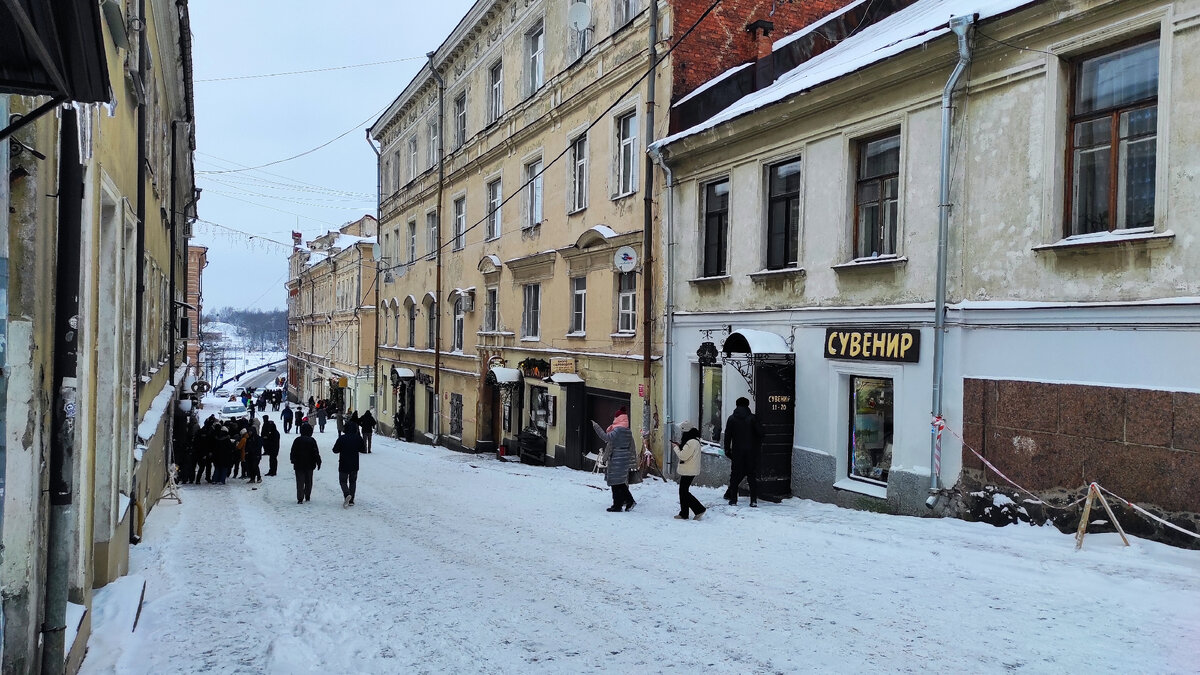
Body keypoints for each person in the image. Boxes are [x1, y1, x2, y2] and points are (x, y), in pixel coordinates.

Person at [723, 396, 764, 507]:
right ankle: (753, 500)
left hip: (737, 451)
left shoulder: (731, 419)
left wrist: (727, 449)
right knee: (751, 475)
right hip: (751, 451)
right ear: (747, 405)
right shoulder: (752, 418)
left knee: (735, 474)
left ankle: (733, 499)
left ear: (736, 405)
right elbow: (761, 433)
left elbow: (727, 436)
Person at [592, 411, 635, 512]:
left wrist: (597, 427)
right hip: (624, 459)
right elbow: (631, 446)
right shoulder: (627, 431)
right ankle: (624, 502)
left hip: (617, 459)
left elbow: (606, 437)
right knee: (619, 482)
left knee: (616, 483)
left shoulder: (618, 430)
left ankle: (619, 504)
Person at [672, 421, 707, 520]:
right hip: (690, 469)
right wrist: (680, 446)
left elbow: (683, 455)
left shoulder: (691, 442)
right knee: (683, 491)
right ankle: (684, 513)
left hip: (688, 470)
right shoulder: (694, 440)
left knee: (683, 492)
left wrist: (675, 448)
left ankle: (698, 509)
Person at [332, 420, 366, 507]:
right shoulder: (358, 438)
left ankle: (347, 494)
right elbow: (363, 449)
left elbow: (335, 450)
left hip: (343, 463)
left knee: (343, 481)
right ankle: (351, 500)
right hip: (354, 463)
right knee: (353, 481)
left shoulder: (342, 438)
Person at [289, 422, 321, 503]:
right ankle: (307, 495)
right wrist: (318, 461)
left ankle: (300, 497)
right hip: (310, 464)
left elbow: (293, 451)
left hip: (298, 464)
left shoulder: (297, 440)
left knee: (300, 481)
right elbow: (316, 452)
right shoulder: (312, 440)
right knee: (308, 481)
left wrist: (293, 459)